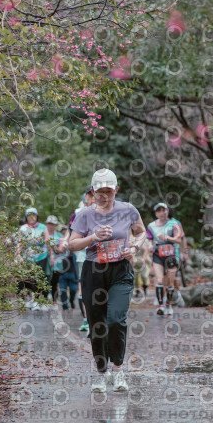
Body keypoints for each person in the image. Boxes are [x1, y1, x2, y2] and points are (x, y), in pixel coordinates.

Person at [68, 168, 146, 393]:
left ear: (116, 190)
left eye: (109, 191)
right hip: (94, 272)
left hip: (120, 270)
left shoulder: (128, 210)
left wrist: (134, 247)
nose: (104, 196)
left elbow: (141, 232)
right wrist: (93, 237)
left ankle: (118, 369)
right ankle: (102, 373)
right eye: (100, 192)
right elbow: (72, 244)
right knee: (97, 325)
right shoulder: (85, 214)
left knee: (115, 320)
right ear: (93, 192)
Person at [146, 202, 182, 316]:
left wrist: (166, 238)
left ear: (167, 211)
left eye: (164, 210)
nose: (162, 213)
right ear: (155, 213)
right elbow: (149, 239)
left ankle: (168, 305)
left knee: (170, 283)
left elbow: (178, 240)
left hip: (171, 255)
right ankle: (161, 306)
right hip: (158, 255)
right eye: (159, 211)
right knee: (160, 280)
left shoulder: (174, 224)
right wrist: (150, 246)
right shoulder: (151, 226)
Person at [16, 207, 50, 312]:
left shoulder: (43, 227)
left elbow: (48, 242)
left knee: (41, 278)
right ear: (26, 217)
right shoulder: (23, 228)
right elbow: (19, 243)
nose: (31, 217)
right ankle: (32, 300)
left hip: (42, 256)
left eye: (33, 215)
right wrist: (18, 255)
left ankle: (40, 301)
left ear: (37, 216)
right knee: (29, 279)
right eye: (29, 215)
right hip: (28, 258)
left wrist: (52, 255)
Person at [72, 185, 95, 331]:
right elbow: (71, 233)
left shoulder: (107, 211)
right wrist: (65, 242)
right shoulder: (77, 213)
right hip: (82, 255)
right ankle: (86, 319)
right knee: (83, 286)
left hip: (101, 256)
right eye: (90, 195)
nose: (92, 198)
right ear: (85, 197)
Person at [55, 224, 78, 310]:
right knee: (62, 290)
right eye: (63, 232)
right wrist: (61, 247)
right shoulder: (60, 241)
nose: (64, 233)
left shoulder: (75, 239)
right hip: (62, 271)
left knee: (73, 290)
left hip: (72, 271)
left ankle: (71, 300)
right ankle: (65, 307)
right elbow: (55, 249)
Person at [45, 215, 61, 304]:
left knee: (54, 282)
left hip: (56, 264)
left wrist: (52, 247)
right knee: (44, 282)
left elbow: (62, 249)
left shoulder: (59, 236)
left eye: (53, 224)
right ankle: (44, 300)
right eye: (49, 224)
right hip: (44, 262)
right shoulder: (42, 234)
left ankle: (54, 301)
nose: (51, 226)